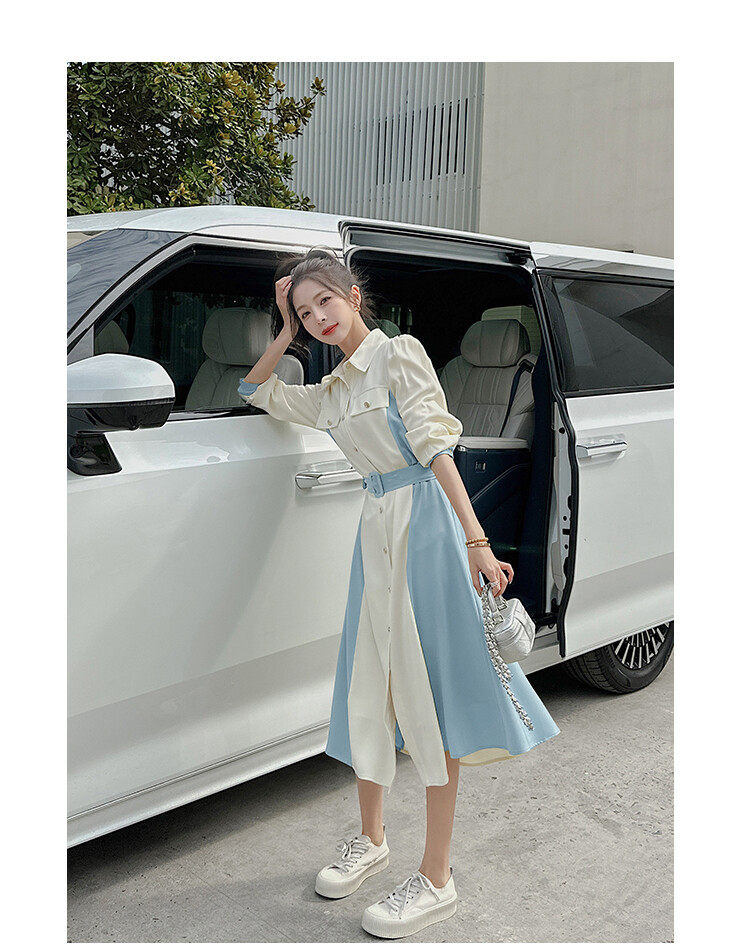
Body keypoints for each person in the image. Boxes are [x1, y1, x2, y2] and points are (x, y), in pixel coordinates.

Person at [238, 248, 560, 939]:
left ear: (354, 295)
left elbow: (436, 449)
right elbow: (255, 390)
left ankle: (437, 876)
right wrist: (283, 332)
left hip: (428, 532)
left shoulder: (399, 355)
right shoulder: (331, 389)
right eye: (304, 312)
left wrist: (475, 539)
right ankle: (372, 838)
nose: (318, 318)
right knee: (371, 683)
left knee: (433, 695)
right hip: (376, 533)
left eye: (325, 301)